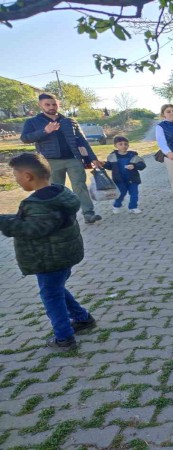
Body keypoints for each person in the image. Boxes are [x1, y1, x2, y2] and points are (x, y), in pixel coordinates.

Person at [0, 153, 97, 350]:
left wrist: (3, 222)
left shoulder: (39, 204)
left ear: (27, 176)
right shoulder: (58, 193)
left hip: (50, 259)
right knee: (56, 289)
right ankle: (82, 318)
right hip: (63, 255)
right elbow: (33, 221)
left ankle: (64, 338)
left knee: (51, 295)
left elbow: (31, 228)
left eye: (15, 175)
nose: (16, 179)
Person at [20, 93, 104, 224]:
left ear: (58, 105)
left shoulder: (69, 121)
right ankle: (61, 217)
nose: (51, 107)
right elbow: (25, 138)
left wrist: (93, 158)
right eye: (47, 104)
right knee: (56, 189)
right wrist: (45, 131)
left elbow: (82, 141)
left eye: (54, 104)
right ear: (40, 105)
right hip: (51, 161)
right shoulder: (32, 122)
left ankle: (88, 213)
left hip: (74, 159)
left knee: (80, 186)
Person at [103, 135, 146, 214]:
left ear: (128, 145)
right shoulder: (112, 156)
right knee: (121, 194)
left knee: (134, 194)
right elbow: (109, 167)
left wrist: (134, 166)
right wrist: (103, 164)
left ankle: (133, 207)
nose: (124, 146)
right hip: (119, 180)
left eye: (125, 144)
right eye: (120, 144)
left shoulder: (134, 156)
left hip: (133, 179)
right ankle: (117, 205)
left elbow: (142, 165)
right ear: (115, 145)